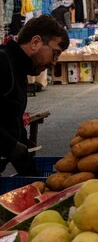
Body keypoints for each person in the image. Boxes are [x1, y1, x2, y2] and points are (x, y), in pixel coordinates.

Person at [0, 16, 69, 175]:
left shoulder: (18, 68)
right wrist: (11, 146)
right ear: (35, 42)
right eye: (55, 53)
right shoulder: (3, 63)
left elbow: (11, 118)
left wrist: (23, 149)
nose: (54, 62)